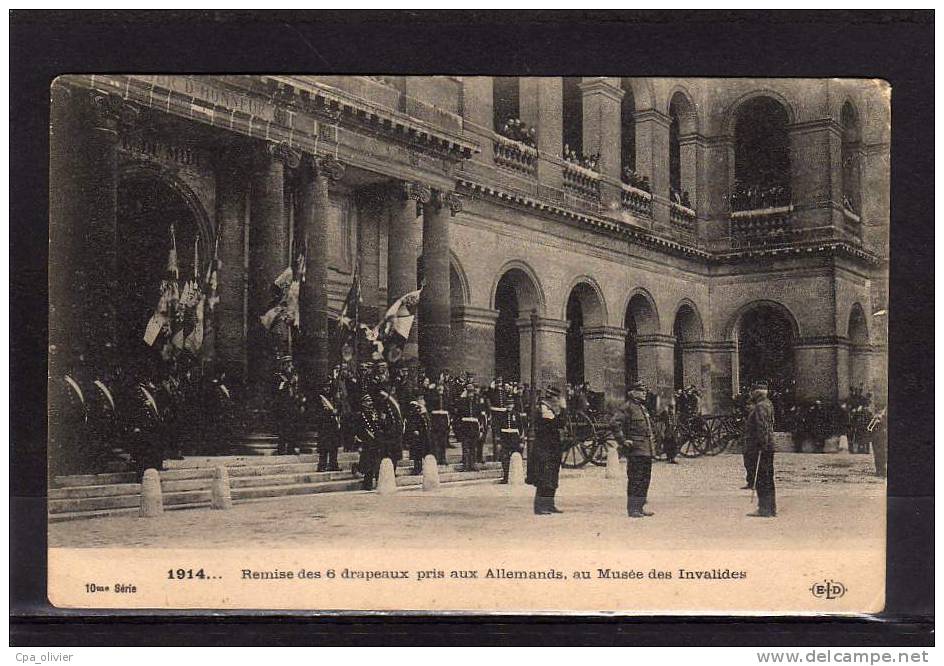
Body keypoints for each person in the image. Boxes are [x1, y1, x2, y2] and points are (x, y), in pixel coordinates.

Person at [610, 381, 656, 518]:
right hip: (635, 449)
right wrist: (623, 440)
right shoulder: (627, 407)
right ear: (632, 392)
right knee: (635, 479)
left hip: (646, 448)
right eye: (641, 391)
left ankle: (640, 506)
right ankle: (633, 509)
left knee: (645, 479)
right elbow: (614, 423)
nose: (644, 393)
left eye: (644, 391)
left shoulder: (642, 407)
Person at [526, 386, 567, 514]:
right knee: (544, 476)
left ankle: (549, 504)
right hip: (544, 446)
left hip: (552, 446)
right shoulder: (545, 408)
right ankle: (539, 507)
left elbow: (560, 423)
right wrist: (564, 409)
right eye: (556, 398)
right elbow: (557, 424)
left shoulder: (552, 409)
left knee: (553, 475)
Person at [744, 381, 777, 517]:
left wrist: (761, 445)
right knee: (768, 478)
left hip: (761, 448)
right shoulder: (768, 404)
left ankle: (764, 508)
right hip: (767, 447)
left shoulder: (760, 407)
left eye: (752, 392)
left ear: (756, 393)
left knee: (762, 479)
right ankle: (770, 508)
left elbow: (762, 427)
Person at [453, 379, 484, 471]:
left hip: (474, 428)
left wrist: (481, 429)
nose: (471, 395)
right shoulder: (461, 403)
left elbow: (480, 417)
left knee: (473, 447)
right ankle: (466, 465)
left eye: (472, 392)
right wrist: (458, 429)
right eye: (469, 392)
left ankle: (473, 464)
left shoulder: (477, 404)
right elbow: (458, 417)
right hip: (465, 428)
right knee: (465, 447)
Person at [404, 391, 431, 475]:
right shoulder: (415, 408)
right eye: (421, 398)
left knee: (423, 451)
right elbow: (411, 420)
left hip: (424, 434)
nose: (423, 400)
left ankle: (421, 467)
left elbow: (427, 421)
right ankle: (417, 468)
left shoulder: (423, 408)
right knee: (417, 453)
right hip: (417, 434)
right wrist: (414, 429)